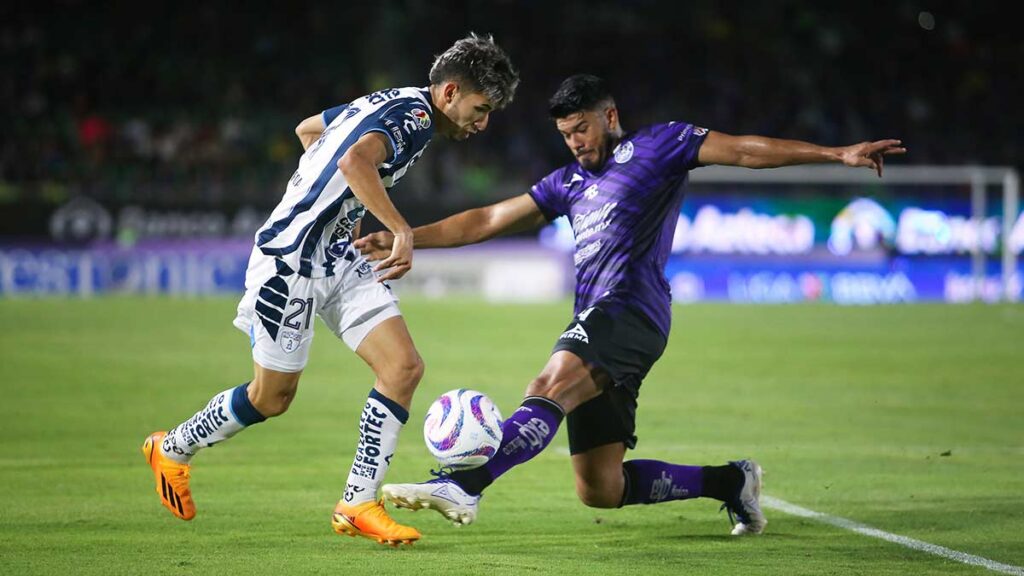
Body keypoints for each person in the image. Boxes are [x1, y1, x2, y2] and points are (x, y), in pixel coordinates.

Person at [355, 74, 905, 535]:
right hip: (599, 320)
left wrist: (835, 153)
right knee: (600, 488)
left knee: (547, 387)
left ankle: (465, 485)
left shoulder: (660, 146)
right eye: (565, 133)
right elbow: (488, 220)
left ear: (610, 115)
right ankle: (732, 482)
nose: (574, 141)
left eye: (582, 128)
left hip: (631, 310)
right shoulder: (567, 182)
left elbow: (741, 150)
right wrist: (408, 236)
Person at [140, 33, 519, 547]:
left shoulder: (387, 101)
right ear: (450, 92)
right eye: (481, 108)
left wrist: (328, 203)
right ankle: (173, 447)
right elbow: (353, 162)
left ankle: (359, 502)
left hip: (339, 257)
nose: (483, 122)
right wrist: (398, 228)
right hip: (290, 263)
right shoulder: (415, 117)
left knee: (403, 367)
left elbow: (309, 129)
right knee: (272, 398)